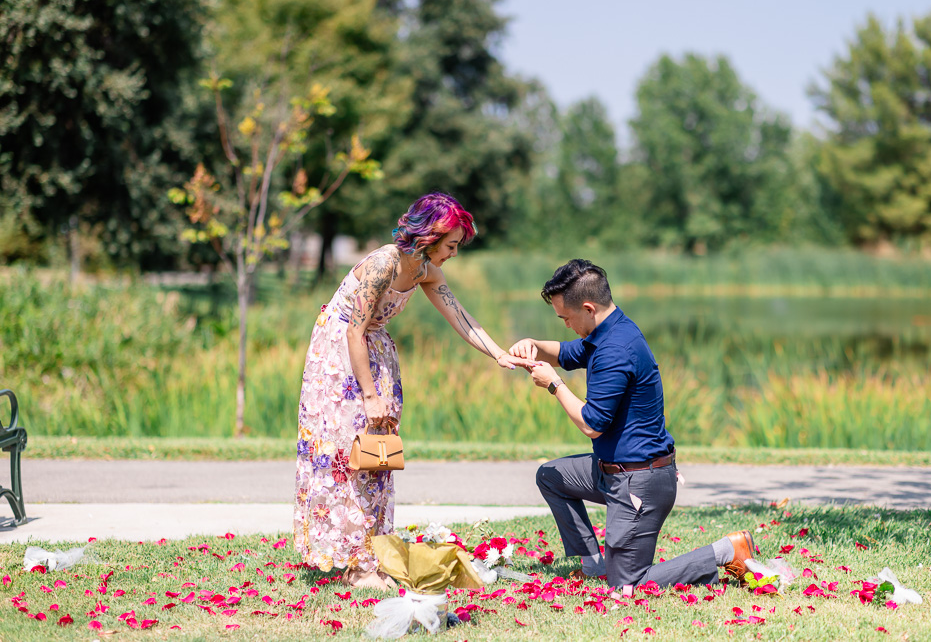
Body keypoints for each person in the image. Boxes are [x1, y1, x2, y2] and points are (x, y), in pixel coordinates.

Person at [293, 193, 527, 590]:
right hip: (340, 356)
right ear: (430, 236)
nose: (453, 253)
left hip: (375, 350)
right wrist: (370, 395)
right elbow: (353, 328)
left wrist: (500, 355)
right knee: (346, 452)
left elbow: (461, 316)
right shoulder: (384, 262)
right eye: (451, 244)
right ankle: (357, 564)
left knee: (377, 454)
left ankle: (372, 556)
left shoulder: (423, 269)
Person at [509, 259, 755, 592]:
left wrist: (554, 385)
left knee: (628, 584)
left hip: (638, 481)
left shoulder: (615, 349)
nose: (565, 325)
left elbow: (592, 425)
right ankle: (593, 563)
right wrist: (533, 345)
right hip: (613, 470)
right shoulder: (609, 329)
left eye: (566, 318)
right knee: (550, 476)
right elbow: (566, 353)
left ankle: (727, 550)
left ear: (588, 308)